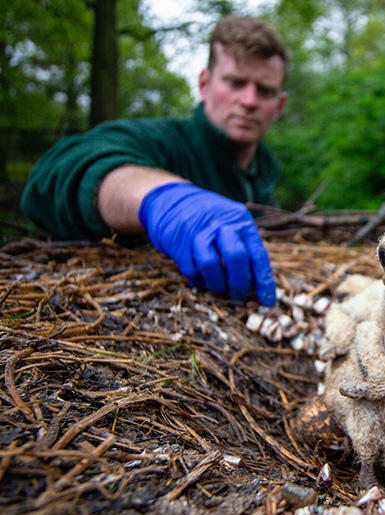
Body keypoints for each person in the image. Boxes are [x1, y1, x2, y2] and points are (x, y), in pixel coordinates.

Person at [21, 15, 288, 306]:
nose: (249, 101)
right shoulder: (162, 142)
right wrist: (164, 198)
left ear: (279, 106)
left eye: (264, 91)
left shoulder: (266, 174)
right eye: (235, 83)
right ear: (204, 84)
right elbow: (53, 173)